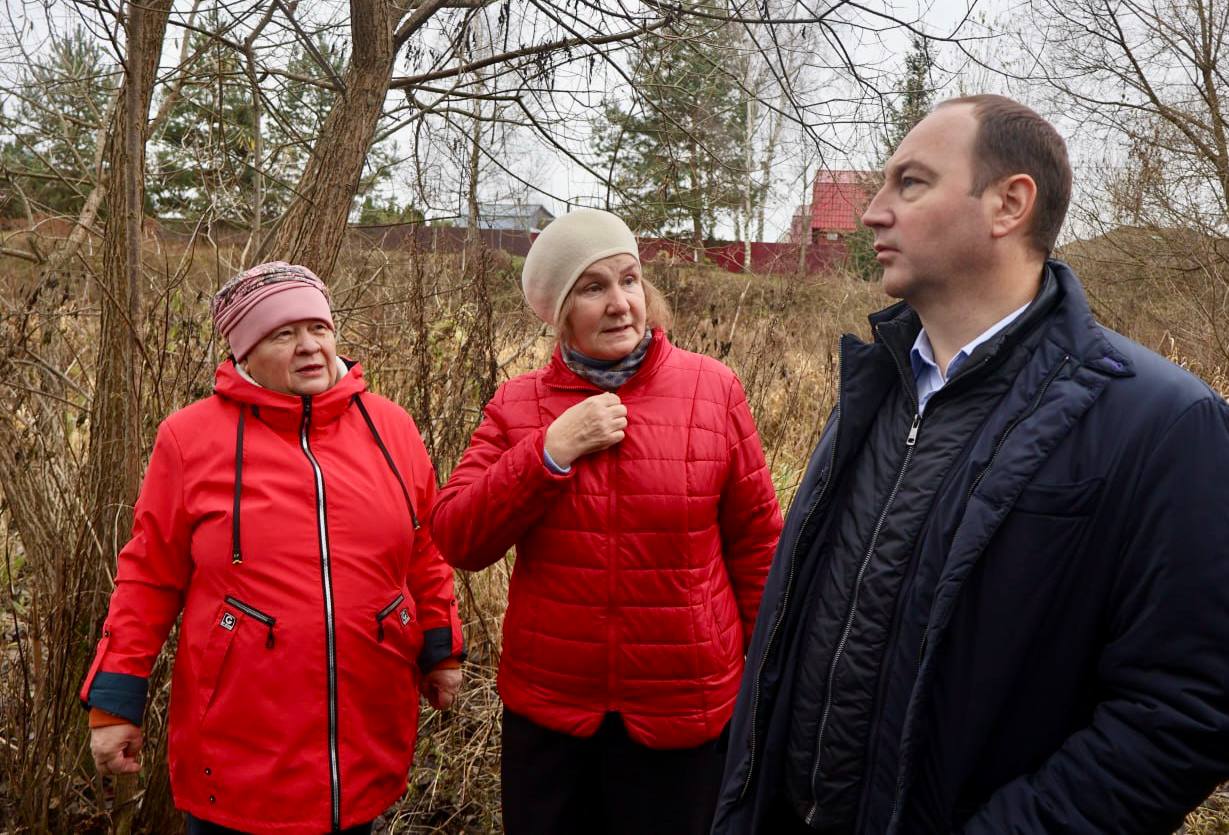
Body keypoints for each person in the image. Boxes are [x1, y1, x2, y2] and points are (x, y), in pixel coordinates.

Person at [713, 95, 1229, 834]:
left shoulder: (1163, 422)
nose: (872, 213)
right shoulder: (878, 386)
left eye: (910, 183)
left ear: (1008, 204)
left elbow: (1183, 710)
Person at [430, 208, 782, 835]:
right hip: (553, 715)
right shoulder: (519, 405)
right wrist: (547, 452)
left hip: (685, 711)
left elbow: (757, 545)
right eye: (593, 287)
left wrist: (767, 677)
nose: (621, 303)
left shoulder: (713, 389)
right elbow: (458, 536)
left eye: (629, 279)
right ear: (559, 311)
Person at [81, 262, 465, 834]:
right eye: (283, 334)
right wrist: (115, 702)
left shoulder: (390, 427)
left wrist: (440, 649)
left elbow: (423, 550)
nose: (309, 346)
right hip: (239, 743)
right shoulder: (189, 439)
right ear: (245, 351)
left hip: (365, 733)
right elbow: (148, 577)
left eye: (318, 328)